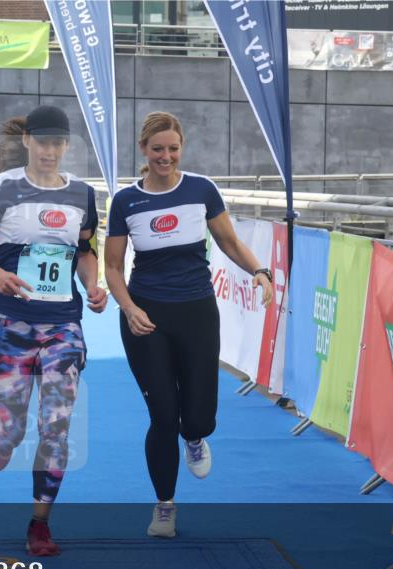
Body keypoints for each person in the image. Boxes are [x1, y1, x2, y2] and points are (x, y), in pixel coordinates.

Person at [104, 111, 273, 538]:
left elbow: (230, 242)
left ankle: (195, 436)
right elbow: (111, 267)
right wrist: (128, 308)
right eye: (158, 149)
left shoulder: (201, 189)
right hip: (146, 318)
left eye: (173, 148)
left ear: (182, 148)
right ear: (144, 150)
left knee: (196, 416)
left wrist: (260, 271)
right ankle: (164, 506)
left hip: (197, 312)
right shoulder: (126, 201)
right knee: (162, 415)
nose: (166, 156)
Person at [0, 106, 108, 556]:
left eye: (57, 143)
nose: (48, 150)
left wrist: (94, 284)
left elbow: (84, 250)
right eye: (41, 142)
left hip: (63, 324)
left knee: (57, 424)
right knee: (8, 436)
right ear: (27, 142)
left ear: (66, 145)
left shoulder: (82, 194)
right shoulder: (4, 188)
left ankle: (39, 523)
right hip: (11, 323)